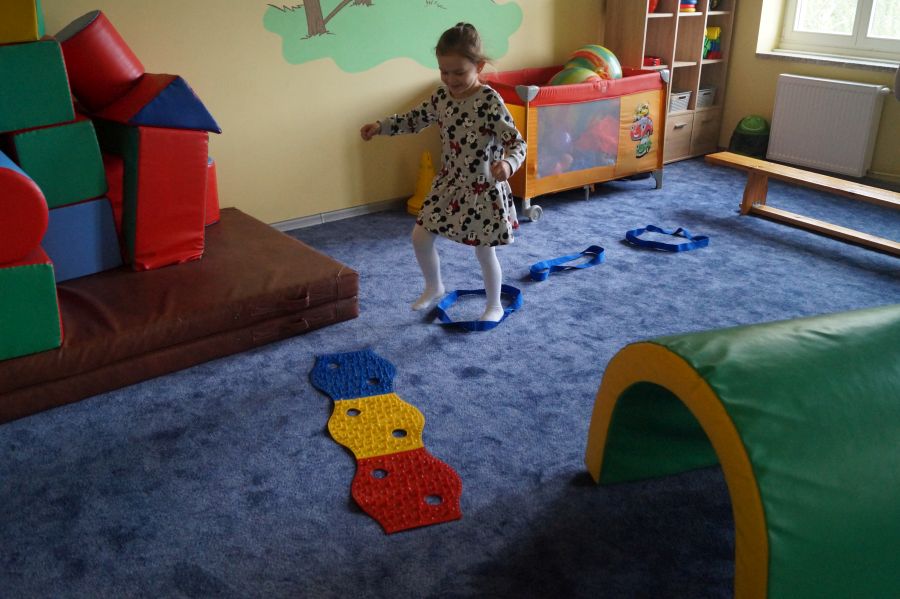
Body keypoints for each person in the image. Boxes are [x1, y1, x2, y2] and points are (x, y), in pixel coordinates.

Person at [360, 22, 526, 323]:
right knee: (420, 236)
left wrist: (507, 164)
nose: (450, 79)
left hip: (482, 188)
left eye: (458, 72)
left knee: (484, 251)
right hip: (449, 183)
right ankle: (434, 286)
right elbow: (413, 119)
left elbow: (517, 143)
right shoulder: (441, 97)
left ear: (479, 66)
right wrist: (381, 126)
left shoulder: (489, 101)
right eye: (443, 71)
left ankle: (494, 305)